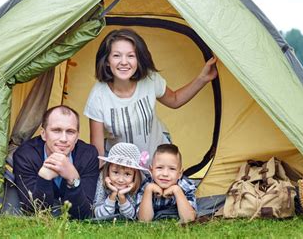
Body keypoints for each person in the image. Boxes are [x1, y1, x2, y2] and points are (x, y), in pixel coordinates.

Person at [84, 28, 217, 158]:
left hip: (158, 162)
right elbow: (98, 154)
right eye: (116, 56)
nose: (124, 62)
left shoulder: (149, 79)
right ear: (107, 61)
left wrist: (203, 78)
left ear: (138, 60)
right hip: (124, 172)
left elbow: (175, 100)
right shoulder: (98, 96)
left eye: (131, 56)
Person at [13, 105, 99, 219]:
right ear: (43, 134)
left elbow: (82, 214)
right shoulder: (25, 155)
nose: (63, 138)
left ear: (77, 136)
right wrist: (44, 178)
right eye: (56, 130)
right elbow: (34, 211)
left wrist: (73, 179)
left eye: (70, 132)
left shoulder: (88, 155)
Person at [136, 144, 196, 222]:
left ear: (180, 173)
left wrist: (177, 190)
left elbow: (189, 219)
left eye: (172, 169)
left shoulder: (186, 185)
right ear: (151, 170)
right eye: (159, 168)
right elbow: (144, 220)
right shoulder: (146, 185)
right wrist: (149, 190)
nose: (165, 174)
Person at [93, 142, 148, 220]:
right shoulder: (102, 179)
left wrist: (122, 197)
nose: (121, 180)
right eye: (115, 172)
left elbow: (131, 216)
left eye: (127, 174)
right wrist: (113, 195)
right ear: (108, 170)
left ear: (135, 175)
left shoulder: (137, 185)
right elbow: (99, 216)